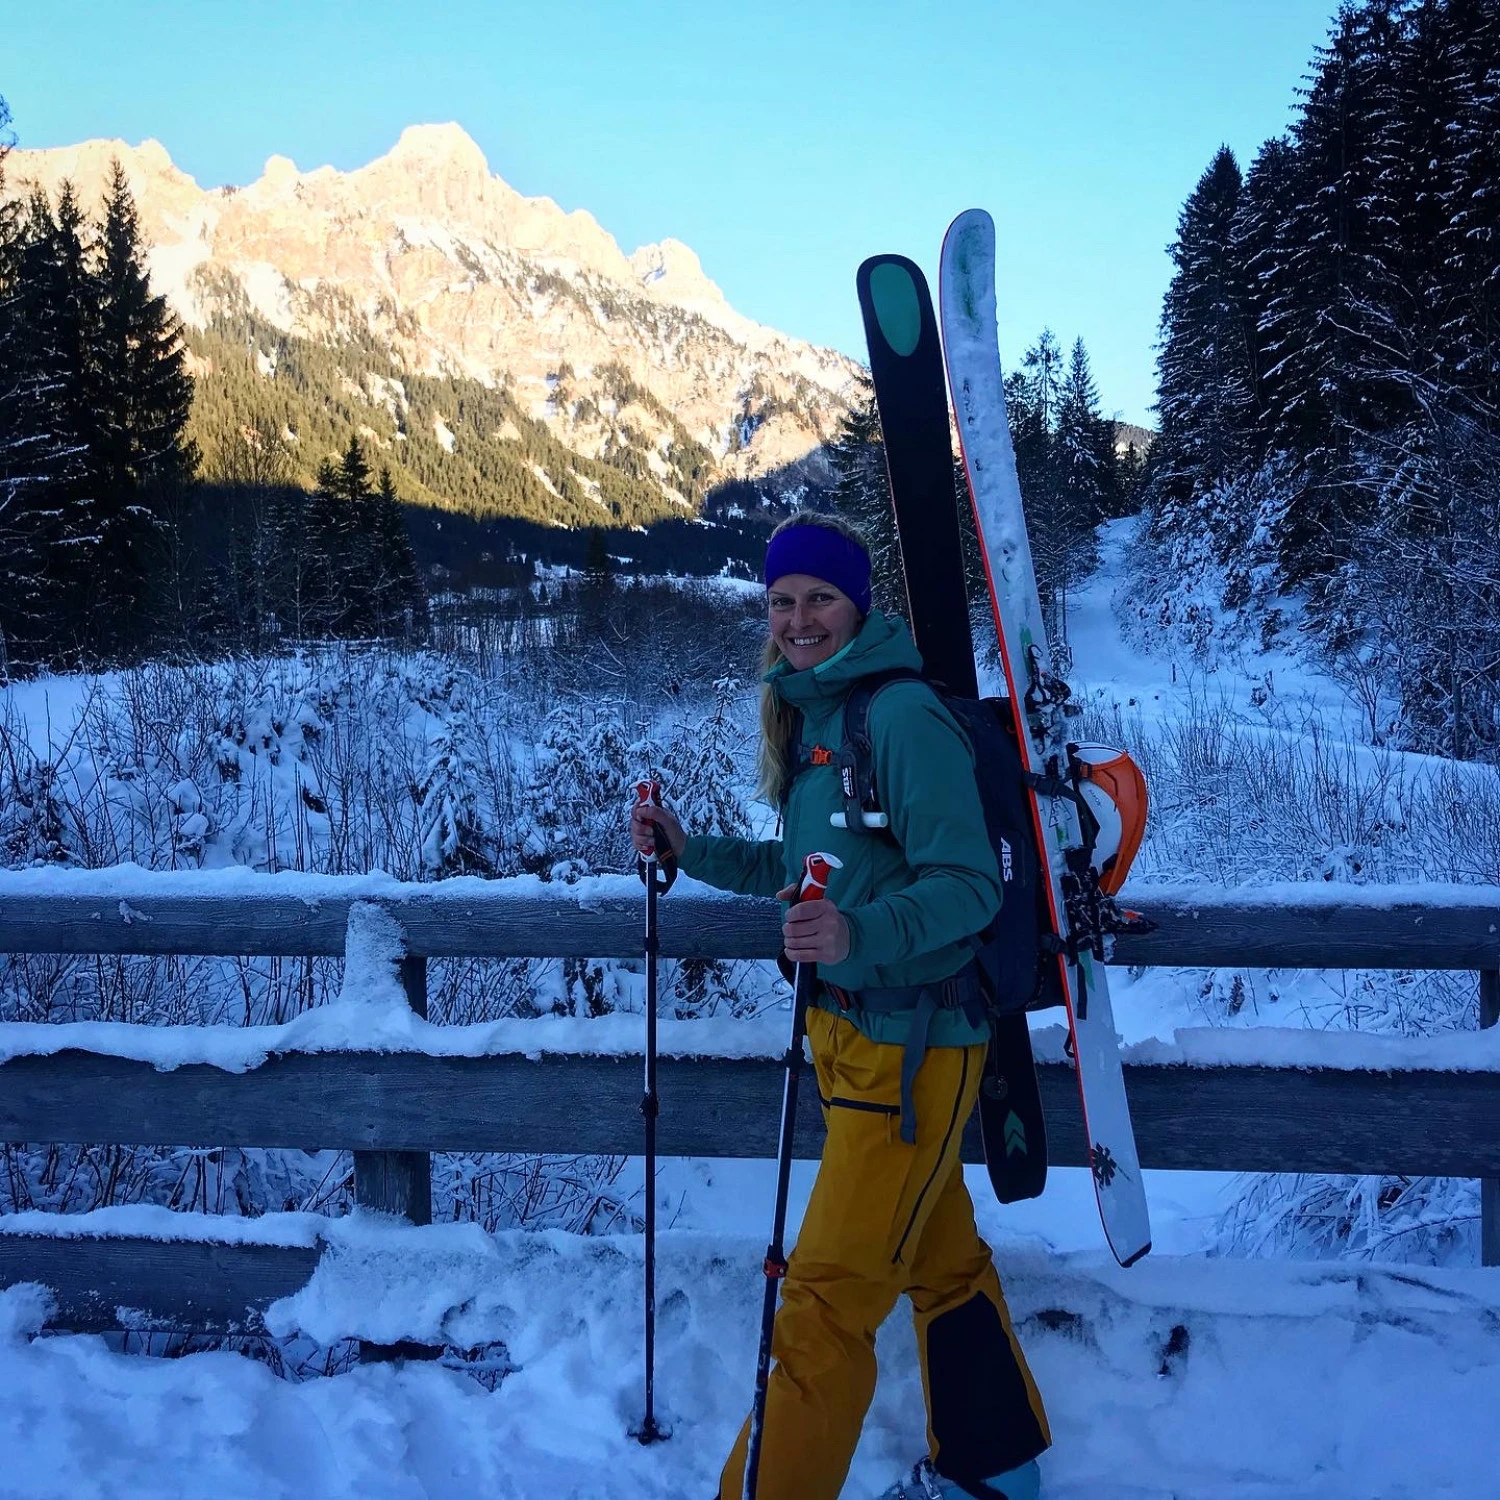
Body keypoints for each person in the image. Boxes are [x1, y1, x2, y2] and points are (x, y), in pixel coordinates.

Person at [629, 512, 1050, 1500]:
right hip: (854, 1040)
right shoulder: (819, 718)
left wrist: (855, 935)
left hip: (911, 1051)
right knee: (941, 1259)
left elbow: (968, 888)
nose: (799, 618)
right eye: (781, 601)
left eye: (820, 597)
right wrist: (690, 850)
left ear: (859, 605)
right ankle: (1000, 1473)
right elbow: (798, 869)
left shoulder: (897, 717)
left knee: (822, 1307)